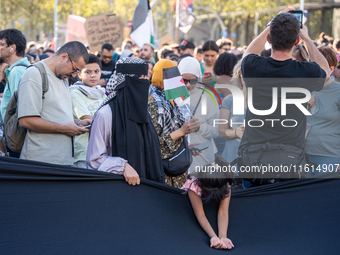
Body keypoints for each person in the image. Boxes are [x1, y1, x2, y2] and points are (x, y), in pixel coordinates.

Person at [239, 8, 330, 184]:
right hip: (289, 160)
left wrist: (271, 26)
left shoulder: (252, 66)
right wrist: (307, 38)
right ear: (297, 41)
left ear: (268, 39)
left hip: (253, 159)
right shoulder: (306, 72)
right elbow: (326, 71)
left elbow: (248, 53)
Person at [86, 57, 164, 185]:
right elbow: (94, 160)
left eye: (146, 78)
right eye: (140, 78)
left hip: (147, 188)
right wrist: (122, 166)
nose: (145, 83)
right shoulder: (105, 114)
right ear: (126, 80)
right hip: (118, 188)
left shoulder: (144, 112)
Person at [18, 41, 91, 165]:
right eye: (74, 69)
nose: (74, 75)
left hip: (63, 162)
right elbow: (26, 120)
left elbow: (55, 114)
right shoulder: (34, 74)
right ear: (64, 57)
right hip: (40, 163)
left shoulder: (63, 78)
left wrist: (78, 123)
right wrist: (64, 129)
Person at [148, 59, 200, 188]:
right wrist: (182, 131)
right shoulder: (154, 102)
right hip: (164, 171)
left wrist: (186, 146)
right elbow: (153, 143)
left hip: (175, 169)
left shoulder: (169, 98)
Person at [182, 155, 234, 250]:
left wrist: (223, 237)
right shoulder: (194, 186)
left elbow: (223, 212)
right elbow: (200, 214)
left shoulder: (225, 185)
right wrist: (213, 236)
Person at [178, 57, 219, 171]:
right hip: (178, 159)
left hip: (202, 158)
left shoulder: (208, 97)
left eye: (193, 81)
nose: (188, 85)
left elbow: (217, 130)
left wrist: (199, 127)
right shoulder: (172, 96)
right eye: (184, 80)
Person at [305, 46, 340, 172]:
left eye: (320, 67)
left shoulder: (338, 91)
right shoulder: (302, 90)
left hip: (331, 157)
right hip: (302, 157)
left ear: (331, 69)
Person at [70, 54, 106, 168]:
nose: (93, 75)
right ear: (79, 74)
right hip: (84, 151)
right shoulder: (75, 92)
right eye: (88, 72)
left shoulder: (101, 93)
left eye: (96, 71)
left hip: (102, 150)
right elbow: (89, 121)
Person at [0, 29, 31, 120]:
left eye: (1, 44)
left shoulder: (17, 71)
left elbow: (18, 107)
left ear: (12, 48)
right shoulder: (21, 68)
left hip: (14, 131)